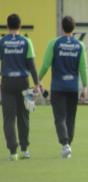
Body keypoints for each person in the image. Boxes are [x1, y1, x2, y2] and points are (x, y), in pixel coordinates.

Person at [38, 16, 88, 159]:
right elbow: (83, 67)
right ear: (74, 28)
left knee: (60, 117)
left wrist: (38, 80)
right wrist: (85, 86)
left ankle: (65, 144)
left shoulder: (54, 43)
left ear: (62, 27)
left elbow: (46, 64)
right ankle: (68, 145)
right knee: (71, 118)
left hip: (58, 88)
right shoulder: (79, 45)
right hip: (72, 87)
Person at [0, 13, 40, 160]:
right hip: (24, 82)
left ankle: (13, 152)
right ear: (20, 26)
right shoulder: (26, 41)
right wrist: (37, 84)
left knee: (8, 118)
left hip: (7, 83)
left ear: (7, 26)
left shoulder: (2, 41)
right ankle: (25, 149)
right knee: (24, 116)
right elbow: (32, 66)